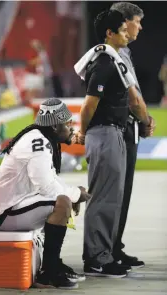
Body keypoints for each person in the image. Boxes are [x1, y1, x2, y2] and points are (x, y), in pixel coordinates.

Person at [74, 10, 154, 278]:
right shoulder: (105, 62)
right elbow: (88, 105)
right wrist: (82, 133)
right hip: (104, 133)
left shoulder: (112, 59)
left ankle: (104, 253)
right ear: (110, 33)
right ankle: (97, 258)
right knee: (103, 199)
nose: (127, 34)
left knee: (111, 199)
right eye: (122, 30)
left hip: (113, 132)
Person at [0, 98, 90, 289]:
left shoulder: (39, 137)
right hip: (5, 213)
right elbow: (47, 187)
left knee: (64, 199)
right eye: (68, 124)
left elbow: (52, 181)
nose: (72, 128)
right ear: (56, 126)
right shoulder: (38, 142)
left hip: (13, 204)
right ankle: (48, 273)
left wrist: (74, 193)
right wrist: (75, 195)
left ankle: (52, 264)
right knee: (63, 203)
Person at [110, 2, 155, 268]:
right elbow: (131, 96)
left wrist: (144, 120)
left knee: (124, 193)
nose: (140, 27)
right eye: (137, 21)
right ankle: (104, 251)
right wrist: (143, 118)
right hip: (120, 127)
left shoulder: (123, 52)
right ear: (124, 22)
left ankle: (115, 247)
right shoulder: (112, 53)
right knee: (115, 194)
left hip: (130, 127)